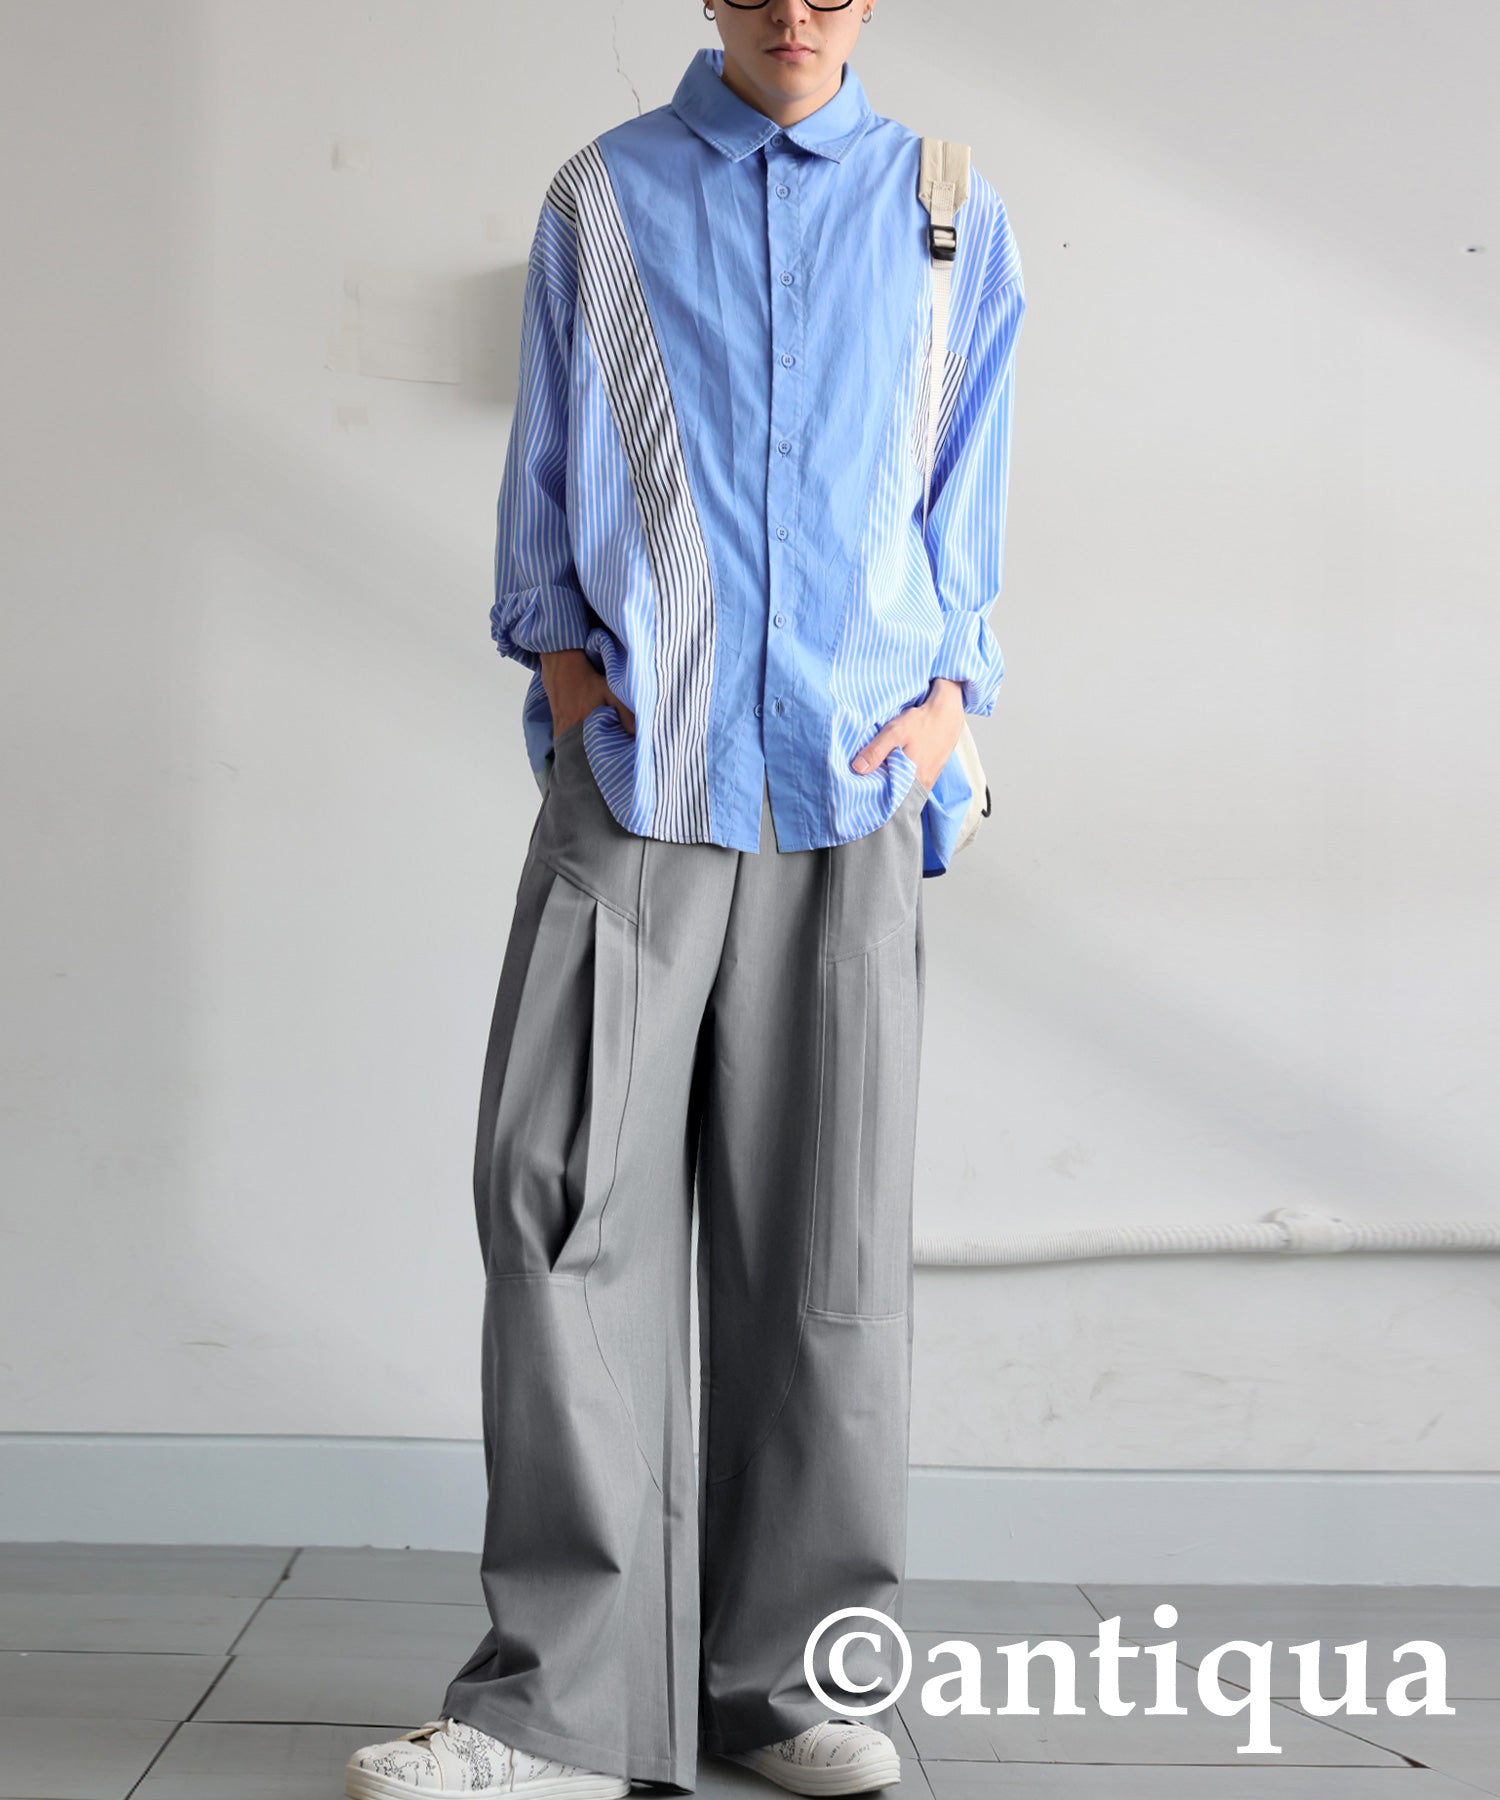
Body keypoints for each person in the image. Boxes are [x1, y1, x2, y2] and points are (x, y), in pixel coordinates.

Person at [346, 2, 1024, 1795]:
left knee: (826, 1252)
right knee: (561, 1201)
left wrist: (951, 702)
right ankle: (557, 1713)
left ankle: (784, 1690)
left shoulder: (948, 209)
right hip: (643, 781)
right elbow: (547, 478)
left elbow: (968, 489)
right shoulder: (603, 196)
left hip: (851, 790)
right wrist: (574, 687)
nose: (796, 11)